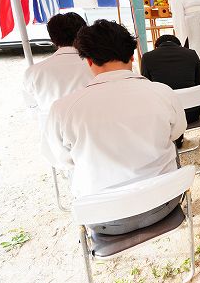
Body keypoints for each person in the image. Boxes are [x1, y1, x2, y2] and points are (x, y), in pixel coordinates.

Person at [44, 20, 186, 235]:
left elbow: (61, 160)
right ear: (131, 56)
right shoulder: (162, 92)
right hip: (164, 202)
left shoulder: (63, 109)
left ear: (89, 61)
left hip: (104, 217)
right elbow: (177, 132)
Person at [23, 12, 92, 128]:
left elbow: (33, 110)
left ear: (52, 39)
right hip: (91, 128)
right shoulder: (97, 65)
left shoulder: (33, 72)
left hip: (53, 133)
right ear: (83, 33)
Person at [141, 34, 200, 148]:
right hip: (191, 114)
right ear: (179, 46)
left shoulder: (147, 58)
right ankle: (178, 138)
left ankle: (170, 141)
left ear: (156, 47)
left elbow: (147, 87)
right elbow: (199, 83)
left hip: (163, 119)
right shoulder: (191, 54)